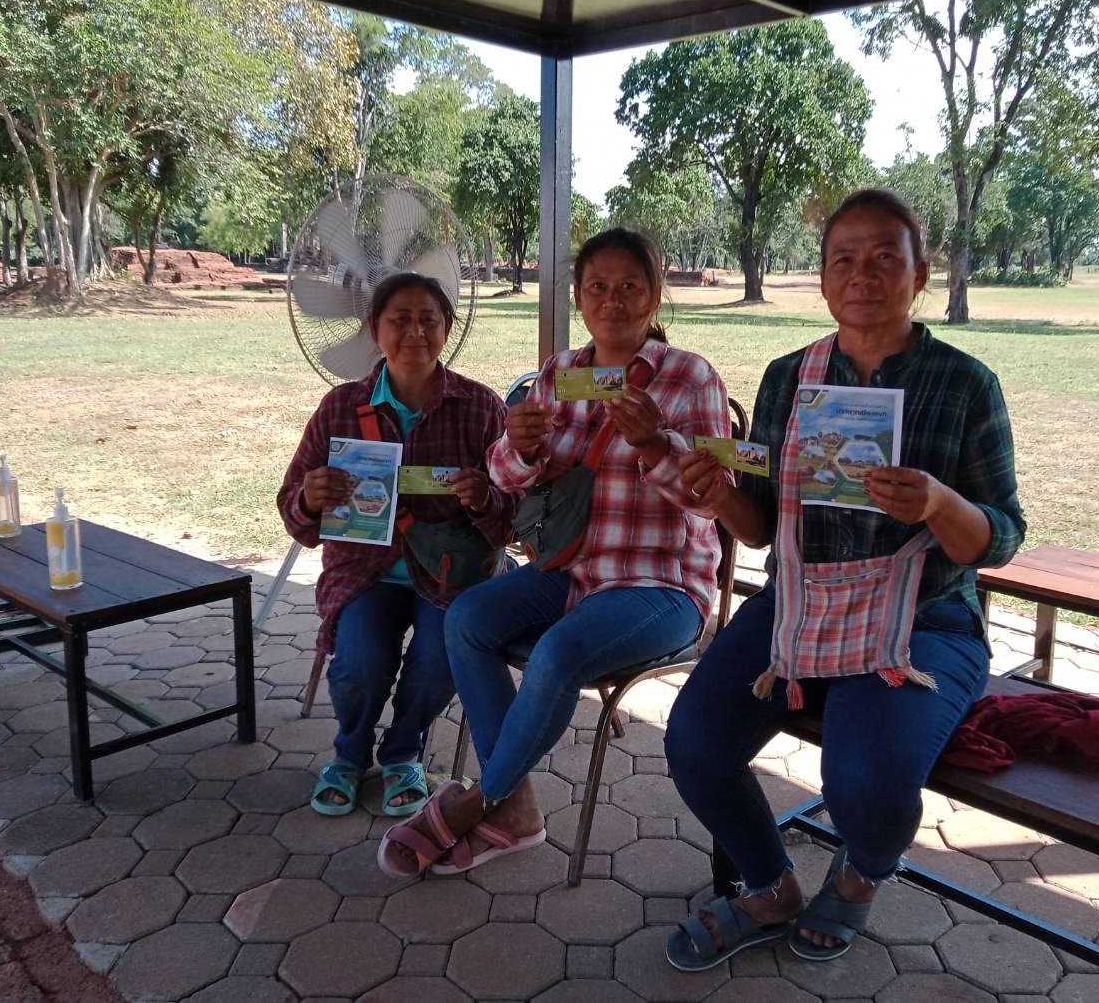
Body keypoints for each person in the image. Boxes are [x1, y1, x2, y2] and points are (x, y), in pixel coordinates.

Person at [663, 190, 1026, 969]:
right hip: (799, 604)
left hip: (922, 617)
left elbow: (1000, 539)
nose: (863, 275)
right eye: (844, 260)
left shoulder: (963, 384)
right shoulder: (788, 378)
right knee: (694, 742)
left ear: (919, 274)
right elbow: (760, 525)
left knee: (863, 782)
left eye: (884, 257)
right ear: (824, 279)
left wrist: (939, 504)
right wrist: (717, 494)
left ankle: (860, 873)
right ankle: (769, 886)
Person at [377, 227, 732, 877]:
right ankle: (515, 807)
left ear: (654, 296)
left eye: (629, 286)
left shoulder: (690, 378)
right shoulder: (561, 374)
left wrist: (655, 444)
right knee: (467, 618)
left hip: (662, 585)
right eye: (597, 286)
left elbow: (714, 500)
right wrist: (519, 446)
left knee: (558, 652)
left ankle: (479, 801)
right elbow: (506, 479)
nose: (613, 300)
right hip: (569, 567)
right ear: (578, 296)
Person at [278, 272, 515, 819]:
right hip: (366, 571)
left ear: (448, 328)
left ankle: (403, 752)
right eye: (400, 320)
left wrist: (485, 499)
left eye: (428, 320)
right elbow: (293, 511)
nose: (415, 333)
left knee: (440, 660)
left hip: (451, 576)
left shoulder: (480, 408)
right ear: (374, 328)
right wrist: (310, 498)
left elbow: (514, 519)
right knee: (359, 663)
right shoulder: (341, 408)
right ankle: (349, 755)